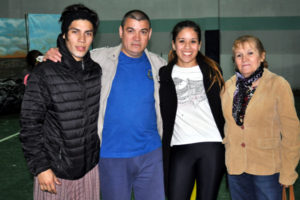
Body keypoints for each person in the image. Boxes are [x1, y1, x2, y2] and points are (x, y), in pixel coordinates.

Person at [44, 9, 166, 200]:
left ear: (149, 34)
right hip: (111, 155)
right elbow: (69, 58)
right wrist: (51, 54)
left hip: (151, 155)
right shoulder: (97, 59)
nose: (136, 37)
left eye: (142, 31)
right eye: (130, 30)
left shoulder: (160, 66)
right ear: (120, 32)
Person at [19, 4, 101, 200]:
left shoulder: (95, 71)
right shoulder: (44, 73)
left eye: (88, 33)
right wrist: (41, 168)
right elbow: (29, 124)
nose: (82, 39)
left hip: (89, 169)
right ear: (64, 34)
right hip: (55, 174)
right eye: (75, 32)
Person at [221, 35, 300, 200]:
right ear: (234, 60)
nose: (244, 59)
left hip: (267, 169)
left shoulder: (278, 85)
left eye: (250, 53)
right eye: (239, 55)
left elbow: (292, 132)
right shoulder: (228, 86)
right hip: (236, 168)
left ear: (262, 56)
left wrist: (288, 171)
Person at [159, 20, 226, 200]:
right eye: (181, 41)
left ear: (200, 44)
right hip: (180, 147)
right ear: (173, 44)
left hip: (212, 146)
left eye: (193, 41)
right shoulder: (164, 74)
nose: (187, 47)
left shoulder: (212, 71)